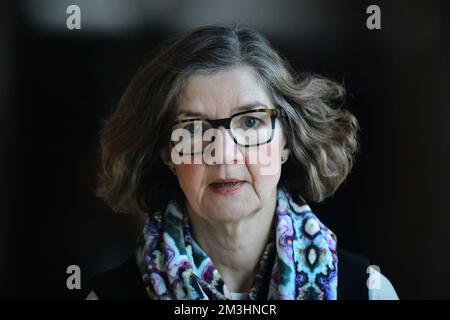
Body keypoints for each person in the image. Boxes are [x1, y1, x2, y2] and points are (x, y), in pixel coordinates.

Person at [87, 24, 398, 300]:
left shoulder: (368, 291)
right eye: (194, 129)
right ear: (167, 153)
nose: (224, 152)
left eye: (250, 123)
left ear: (286, 142)